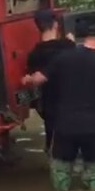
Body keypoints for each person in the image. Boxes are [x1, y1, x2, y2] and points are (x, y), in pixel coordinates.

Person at [21, 23, 95, 191]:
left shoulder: (62, 58)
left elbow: (39, 79)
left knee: (61, 172)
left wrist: (28, 79)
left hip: (65, 126)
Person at [26, 10, 75, 153]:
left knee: (53, 139)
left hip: (49, 102)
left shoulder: (35, 54)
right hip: (71, 100)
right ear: (55, 24)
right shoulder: (68, 46)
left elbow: (33, 78)